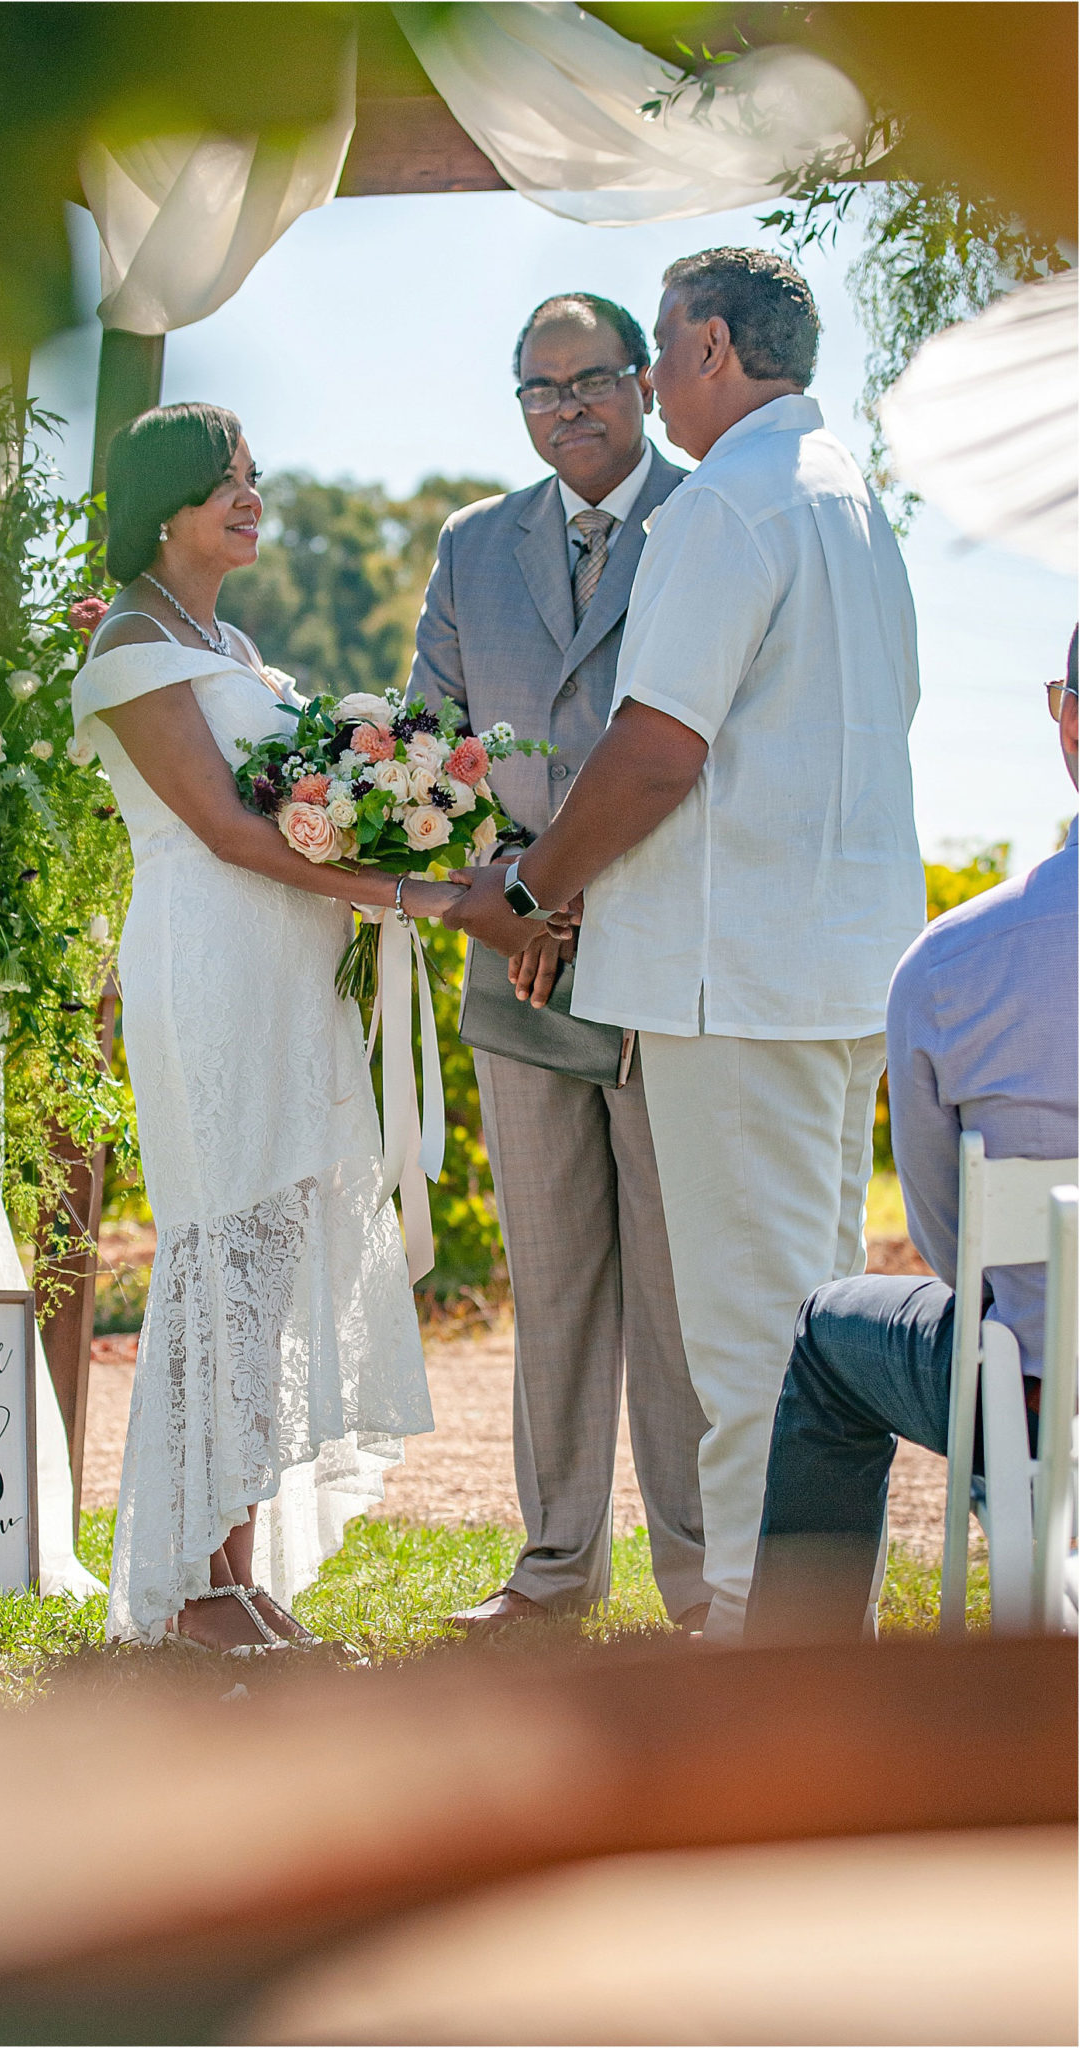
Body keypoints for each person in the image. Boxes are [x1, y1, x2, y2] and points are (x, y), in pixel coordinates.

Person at [447, 249, 925, 1643]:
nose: (649, 382)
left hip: (734, 988)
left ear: (711, 346)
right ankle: (804, 1634)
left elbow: (656, 749)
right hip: (833, 980)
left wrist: (533, 890)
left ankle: (749, 1642)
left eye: (656, 351)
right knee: (814, 1328)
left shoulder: (726, 505)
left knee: (746, 1343)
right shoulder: (850, 501)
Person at [74, 404, 452, 1653]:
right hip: (208, 965)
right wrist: (419, 894)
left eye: (252, 477)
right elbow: (236, 832)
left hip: (289, 976)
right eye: (223, 480)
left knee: (269, 1265)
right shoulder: (129, 642)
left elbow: (295, 813)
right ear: (165, 503)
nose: (248, 496)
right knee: (217, 1254)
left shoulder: (223, 639)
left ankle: (235, 1570)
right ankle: (187, 1590)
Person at [407, 292, 708, 1633]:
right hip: (512, 964)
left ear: (642, 384)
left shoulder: (714, 517)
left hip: (667, 947)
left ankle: (702, 1578)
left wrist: (569, 888)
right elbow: (430, 745)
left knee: (677, 1286)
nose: (567, 405)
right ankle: (552, 1574)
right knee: (556, 1282)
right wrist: (502, 905)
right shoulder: (473, 549)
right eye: (539, 387)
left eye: (591, 378)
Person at [746, 636, 1080, 1642]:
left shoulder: (950, 963)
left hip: (1034, 1382)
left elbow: (952, 1240)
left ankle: (796, 1704)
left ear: (1067, 718)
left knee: (829, 1330)